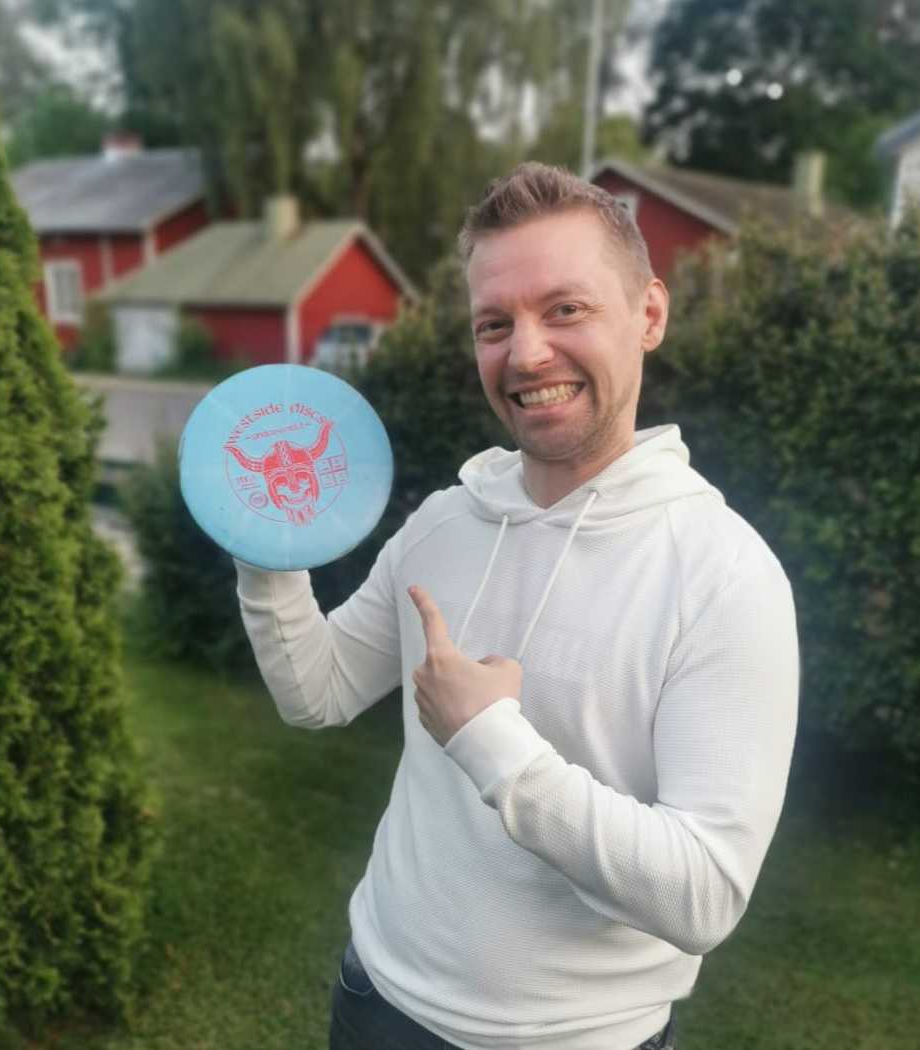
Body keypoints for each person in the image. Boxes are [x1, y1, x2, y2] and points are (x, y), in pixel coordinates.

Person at [234, 162, 799, 1050]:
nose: (525, 353)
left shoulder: (724, 575)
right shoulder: (448, 519)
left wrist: (494, 743)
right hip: (376, 1000)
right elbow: (318, 693)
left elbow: (703, 895)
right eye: (494, 324)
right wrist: (268, 553)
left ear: (648, 313)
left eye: (564, 308)